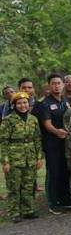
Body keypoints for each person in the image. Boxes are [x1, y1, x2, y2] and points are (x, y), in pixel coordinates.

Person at [0, 92, 43, 222]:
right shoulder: (8, 120)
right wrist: (5, 161)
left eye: (25, 103)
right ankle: (14, 213)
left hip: (30, 157)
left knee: (28, 185)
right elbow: (3, 141)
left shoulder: (33, 119)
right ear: (14, 105)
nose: (22, 105)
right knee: (14, 187)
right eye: (19, 103)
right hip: (14, 158)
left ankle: (28, 210)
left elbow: (37, 139)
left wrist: (39, 157)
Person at [34, 74, 71, 214]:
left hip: (65, 143)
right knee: (53, 172)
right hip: (52, 143)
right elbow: (47, 124)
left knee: (64, 171)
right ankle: (53, 202)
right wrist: (57, 132)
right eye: (53, 83)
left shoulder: (65, 101)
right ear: (49, 85)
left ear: (63, 85)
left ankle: (64, 199)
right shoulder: (44, 103)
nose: (57, 86)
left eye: (59, 83)